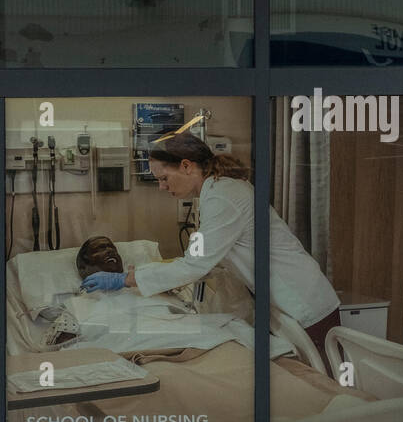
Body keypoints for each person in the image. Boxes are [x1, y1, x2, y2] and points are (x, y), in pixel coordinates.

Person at [87, 134, 341, 368]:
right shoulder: (216, 193)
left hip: (304, 300)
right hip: (284, 300)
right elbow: (205, 259)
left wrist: (126, 279)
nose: (162, 187)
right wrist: (161, 274)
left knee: (325, 384)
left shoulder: (223, 197)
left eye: (163, 178)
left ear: (187, 166)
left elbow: (196, 264)